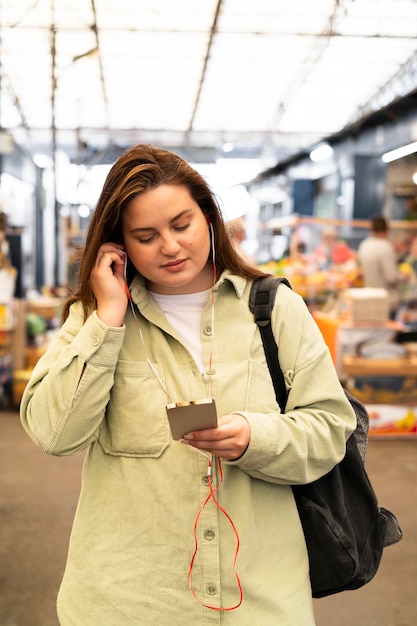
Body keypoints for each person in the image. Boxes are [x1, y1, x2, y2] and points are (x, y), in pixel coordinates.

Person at [20, 144, 356, 625]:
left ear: (208, 217)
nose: (171, 247)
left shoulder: (274, 310)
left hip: (257, 603)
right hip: (129, 604)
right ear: (119, 244)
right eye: (146, 235)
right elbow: (54, 434)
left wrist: (253, 437)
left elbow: (330, 429)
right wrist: (109, 318)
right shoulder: (95, 318)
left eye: (182, 225)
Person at [357, 214, 407, 318]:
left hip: (368, 299)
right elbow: (391, 277)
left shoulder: (364, 245)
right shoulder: (385, 247)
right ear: (387, 229)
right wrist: (403, 276)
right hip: (386, 301)